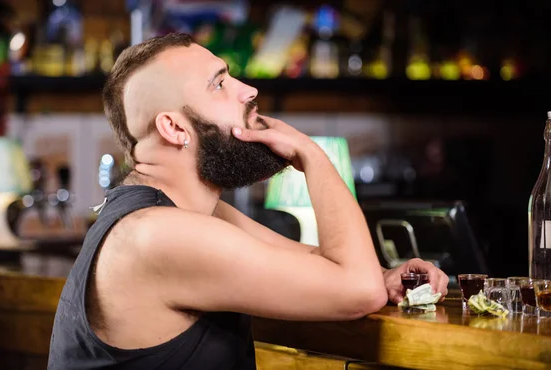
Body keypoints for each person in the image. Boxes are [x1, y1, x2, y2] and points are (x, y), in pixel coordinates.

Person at [48, 32, 449, 370]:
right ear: (173, 127)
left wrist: (386, 277)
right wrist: (311, 155)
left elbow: (324, 267)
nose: (248, 89)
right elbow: (357, 291)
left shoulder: (179, 213)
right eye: (219, 84)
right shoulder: (155, 234)